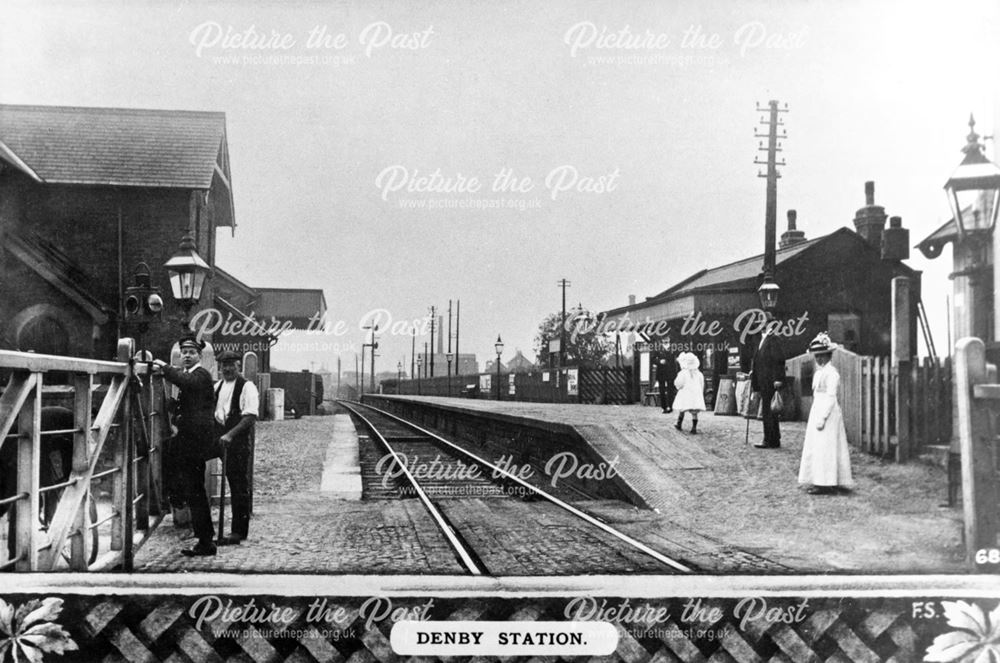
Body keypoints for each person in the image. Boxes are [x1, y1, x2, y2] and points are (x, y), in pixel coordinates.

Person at [152, 334, 217, 557]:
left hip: (196, 441)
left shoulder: (201, 375)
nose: (187, 356)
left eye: (191, 353)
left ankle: (205, 541)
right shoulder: (190, 375)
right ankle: (175, 498)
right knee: (172, 456)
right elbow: (187, 401)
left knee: (195, 490)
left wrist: (165, 368)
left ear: (199, 356)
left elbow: (187, 383)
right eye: (184, 353)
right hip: (189, 439)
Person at [213, 350, 259, 545]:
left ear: (239, 366)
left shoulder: (247, 387)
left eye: (232, 364)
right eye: (225, 365)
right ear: (220, 367)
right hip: (219, 439)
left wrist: (230, 435)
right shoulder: (217, 386)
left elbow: (250, 416)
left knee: (238, 485)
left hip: (237, 442)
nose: (228, 368)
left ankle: (238, 531)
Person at [798, 332, 853, 494]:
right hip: (817, 408)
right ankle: (818, 479)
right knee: (817, 446)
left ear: (829, 355)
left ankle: (827, 482)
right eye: (817, 356)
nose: (819, 359)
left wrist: (822, 418)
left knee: (827, 446)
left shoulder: (832, 373)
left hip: (828, 413)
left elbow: (830, 398)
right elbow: (817, 395)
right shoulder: (818, 373)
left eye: (822, 356)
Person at [750, 311, 786, 448]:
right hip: (762, 379)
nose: (760, 325)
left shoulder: (774, 338)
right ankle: (773, 439)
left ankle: (769, 439)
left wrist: (778, 378)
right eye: (759, 323)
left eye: (763, 323)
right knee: (768, 410)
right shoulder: (762, 339)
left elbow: (779, 360)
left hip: (770, 380)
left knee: (769, 410)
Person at [673, 352, 706, 433]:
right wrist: (700, 393)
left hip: (685, 394)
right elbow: (702, 384)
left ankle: (679, 423)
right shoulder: (699, 374)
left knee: (682, 408)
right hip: (695, 395)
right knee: (694, 411)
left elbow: (678, 383)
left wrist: (678, 387)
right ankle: (694, 427)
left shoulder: (683, 373)